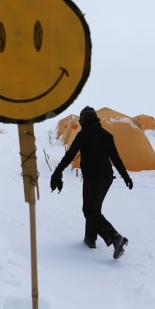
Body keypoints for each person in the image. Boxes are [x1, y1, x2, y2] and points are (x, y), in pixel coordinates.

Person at [50, 106, 133, 259]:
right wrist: (126, 176)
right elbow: (116, 159)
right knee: (94, 209)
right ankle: (90, 239)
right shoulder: (106, 135)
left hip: (93, 179)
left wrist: (57, 172)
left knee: (89, 211)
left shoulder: (83, 135)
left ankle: (115, 238)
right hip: (107, 179)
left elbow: (69, 156)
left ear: (84, 120)